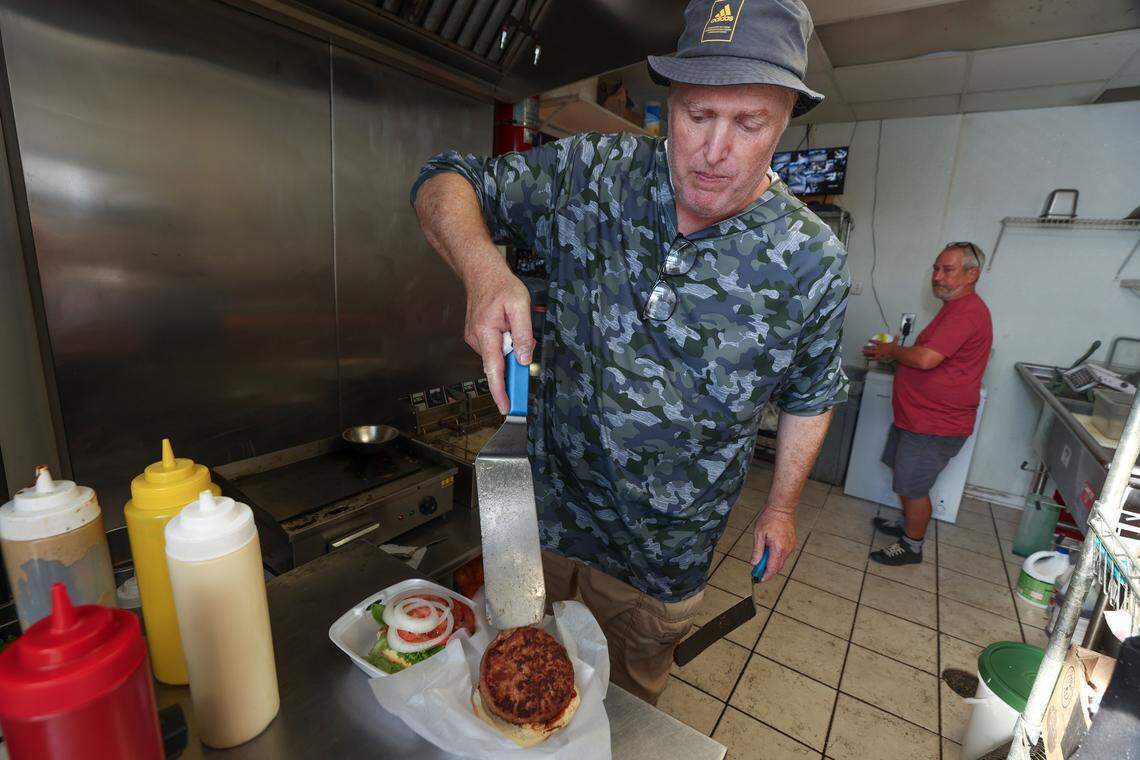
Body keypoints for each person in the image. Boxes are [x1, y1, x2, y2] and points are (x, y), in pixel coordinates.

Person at [412, 0, 849, 703]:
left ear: (786, 118)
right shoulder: (595, 171)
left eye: (749, 123)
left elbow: (812, 394)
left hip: (661, 561)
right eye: (698, 115)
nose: (714, 151)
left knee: (623, 715)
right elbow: (444, 179)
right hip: (544, 522)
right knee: (514, 687)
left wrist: (781, 507)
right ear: (670, 103)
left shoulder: (812, 259)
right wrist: (484, 270)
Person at [863, 242, 993, 566]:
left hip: (935, 425)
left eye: (947, 270)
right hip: (916, 418)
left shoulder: (967, 312)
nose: (937, 276)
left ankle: (912, 546)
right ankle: (908, 523)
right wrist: (894, 354)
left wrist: (892, 351)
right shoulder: (952, 309)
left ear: (972, 274)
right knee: (903, 475)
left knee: (913, 486)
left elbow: (925, 359)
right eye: (936, 269)